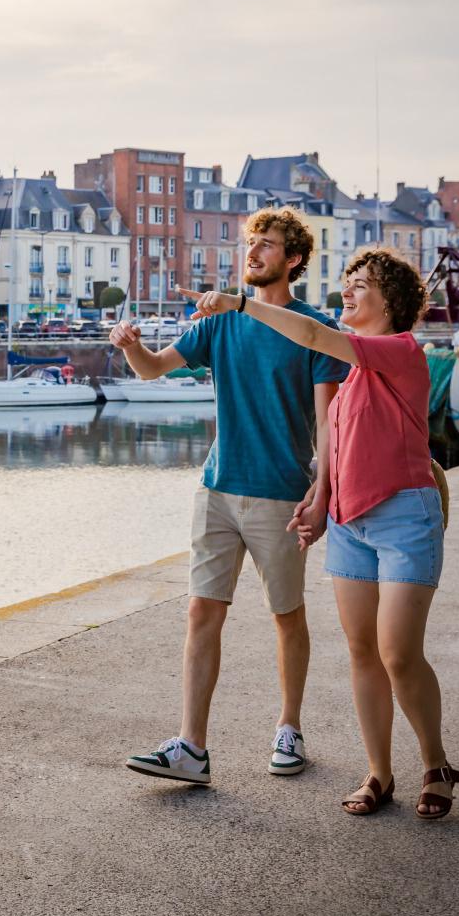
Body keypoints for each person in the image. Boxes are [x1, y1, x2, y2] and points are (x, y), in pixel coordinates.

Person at [178, 247, 459, 819]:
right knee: (362, 652)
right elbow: (337, 446)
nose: (348, 291)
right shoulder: (352, 374)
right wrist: (319, 502)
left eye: (362, 284)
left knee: (398, 653)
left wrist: (239, 304)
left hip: (404, 518)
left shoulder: (400, 353)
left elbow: (311, 335)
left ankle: (434, 763)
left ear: (393, 302)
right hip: (350, 523)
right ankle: (379, 773)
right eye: (348, 282)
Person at [116, 208, 349, 786]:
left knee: (286, 616)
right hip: (217, 487)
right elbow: (153, 370)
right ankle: (191, 747)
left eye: (266, 245)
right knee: (201, 610)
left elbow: (327, 425)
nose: (253, 253)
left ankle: (289, 728)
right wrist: (129, 346)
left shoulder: (310, 329)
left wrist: (322, 491)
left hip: (280, 494)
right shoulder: (219, 321)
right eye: (251, 243)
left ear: (293, 258)